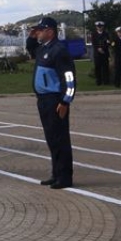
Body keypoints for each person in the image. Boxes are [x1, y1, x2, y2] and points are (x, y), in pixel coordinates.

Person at [32, 16, 75, 189]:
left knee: (60, 139)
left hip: (55, 100)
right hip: (43, 100)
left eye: (40, 30)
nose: (37, 33)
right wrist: (32, 35)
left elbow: (69, 79)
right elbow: (30, 46)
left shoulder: (59, 51)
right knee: (52, 139)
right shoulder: (43, 49)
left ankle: (64, 177)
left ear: (50, 31)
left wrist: (65, 101)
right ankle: (56, 173)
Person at [92, 21, 110, 85]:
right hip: (97, 54)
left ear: (103, 27)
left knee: (105, 68)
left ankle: (106, 81)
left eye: (101, 26)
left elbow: (108, 43)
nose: (99, 28)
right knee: (97, 68)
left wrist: (103, 49)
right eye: (98, 26)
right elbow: (94, 43)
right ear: (96, 27)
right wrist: (98, 49)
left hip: (104, 53)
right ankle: (98, 82)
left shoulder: (106, 34)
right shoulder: (93, 34)